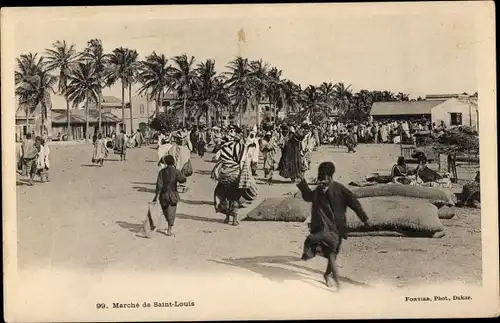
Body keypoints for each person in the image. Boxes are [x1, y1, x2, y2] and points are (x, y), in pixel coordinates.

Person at [297, 161, 370, 289]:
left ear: (330, 177)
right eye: (320, 178)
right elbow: (308, 197)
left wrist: (364, 218)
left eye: (325, 178)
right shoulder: (319, 191)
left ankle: (328, 275)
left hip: (337, 227)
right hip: (322, 228)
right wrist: (302, 183)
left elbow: (354, 203)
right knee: (331, 251)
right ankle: (337, 285)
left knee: (333, 254)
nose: (322, 181)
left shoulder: (340, 189)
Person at [152, 155, 187, 237]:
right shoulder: (176, 171)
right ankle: (169, 229)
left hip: (163, 195)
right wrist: (184, 174)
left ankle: (167, 223)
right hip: (173, 195)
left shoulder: (162, 172)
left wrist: (156, 195)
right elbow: (182, 179)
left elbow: (159, 185)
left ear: (166, 163)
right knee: (172, 212)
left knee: (166, 211)